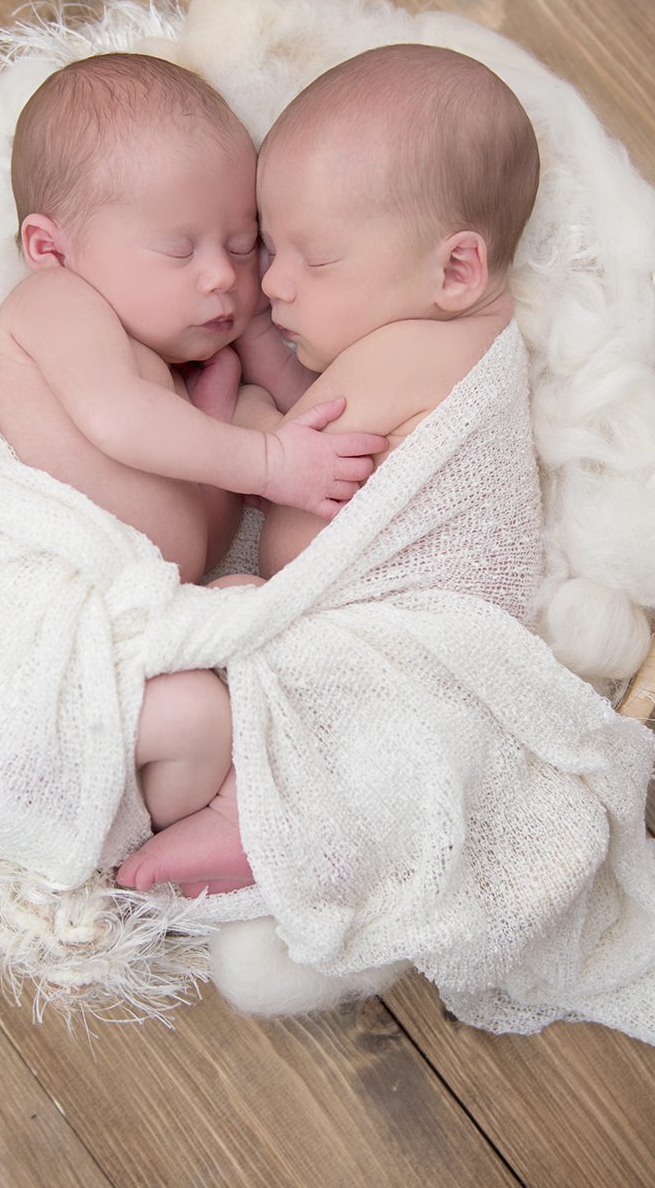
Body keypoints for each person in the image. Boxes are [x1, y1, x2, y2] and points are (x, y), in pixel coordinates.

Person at [119, 43, 543, 897]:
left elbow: (292, 471)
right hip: (417, 666)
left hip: (409, 648)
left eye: (315, 258)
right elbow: (319, 417)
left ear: (455, 269)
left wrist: (233, 414)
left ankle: (253, 815)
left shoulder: (408, 355)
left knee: (222, 611)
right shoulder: (446, 343)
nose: (274, 282)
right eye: (270, 249)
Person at [0, 51, 389, 596]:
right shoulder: (55, 302)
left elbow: (196, 540)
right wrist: (269, 463)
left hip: (133, 603)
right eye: (178, 250)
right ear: (51, 249)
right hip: (19, 574)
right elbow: (120, 420)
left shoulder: (184, 401)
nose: (223, 275)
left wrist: (229, 387)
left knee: (243, 591)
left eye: (242, 246)